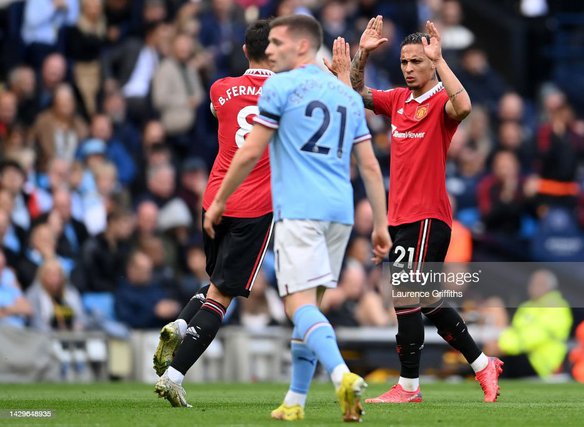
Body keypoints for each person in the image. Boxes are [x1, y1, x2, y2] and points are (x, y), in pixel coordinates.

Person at [206, 15, 391, 422]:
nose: (269, 51)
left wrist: (219, 200)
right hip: (340, 215)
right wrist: (380, 225)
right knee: (313, 310)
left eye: (277, 43)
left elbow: (251, 151)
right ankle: (295, 400)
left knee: (297, 307)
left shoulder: (280, 87)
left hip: (300, 212)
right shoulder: (345, 96)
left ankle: (343, 375)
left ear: (302, 46)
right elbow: (371, 168)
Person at [332, 16, 502, 403]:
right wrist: (361, 55)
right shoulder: (398, 101)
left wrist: (440, 60)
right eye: (405, 62)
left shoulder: (440, 99)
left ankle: (409, 387)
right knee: (423, 301)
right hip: (400, 217)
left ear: (429, 63)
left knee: (407, 296)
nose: (409, 68)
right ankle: (480, 364)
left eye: (416, 62)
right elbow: (355, 93)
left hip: (428, 215)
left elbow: (465, 106)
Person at [153, 20, 275, 407]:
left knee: (217, 282)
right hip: (254, 206)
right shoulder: (284, 93)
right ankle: (174, 377)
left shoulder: (220, 88)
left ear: (244, 51)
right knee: (223, 296)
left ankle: (180, 322)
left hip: (214, 200)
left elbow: (217, 110)